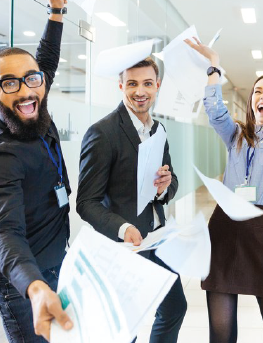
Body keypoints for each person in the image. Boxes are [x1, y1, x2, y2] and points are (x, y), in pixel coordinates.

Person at [184, 38, 263, 343]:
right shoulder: (237, 135)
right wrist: (213, 62)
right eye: (258, 92)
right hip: (224, 228)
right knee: (221, 335)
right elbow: (214, 109)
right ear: (250, 100)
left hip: (262, 230)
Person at [0, 0, 73, 343]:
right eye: (9, 84)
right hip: (18, 280)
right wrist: (34, 288)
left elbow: (45, 58)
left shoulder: (35, 99)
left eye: (32, 79)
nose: (26, 91)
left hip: (51, 257)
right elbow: (5, 232)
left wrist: (57, 11)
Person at [76, 57, 186, 343]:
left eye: (148, 83)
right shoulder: (103, 133)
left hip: (156, 240)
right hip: (123, 247)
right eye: (133, 84)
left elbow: (171, 182)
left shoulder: (158, 129)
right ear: (121, 85)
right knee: (127, 328)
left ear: (157, 86)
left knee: (175, 307)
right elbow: (86, 202)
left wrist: (164, 187)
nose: (141, 91)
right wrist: (123, 229)